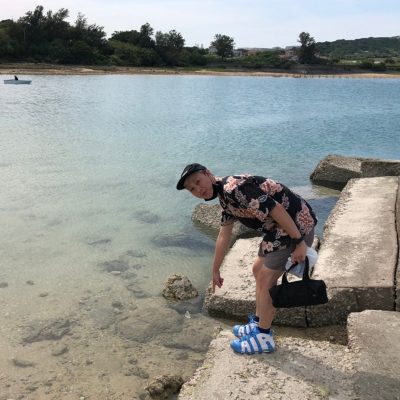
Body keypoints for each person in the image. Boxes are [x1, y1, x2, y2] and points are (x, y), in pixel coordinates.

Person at [176, 163, 317, 355]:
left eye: (197, 182)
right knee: (258, 270)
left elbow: (276, 209)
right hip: (278, 230)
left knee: (266, 278)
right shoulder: (225, 198)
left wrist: (299, 242)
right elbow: (224, 235)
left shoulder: (234, 188)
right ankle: (258, 323)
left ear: (208, 173)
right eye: (192, 189)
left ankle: (264, 337)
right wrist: (215, 269)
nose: (197, 189)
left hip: (296, 226)